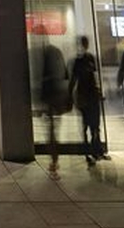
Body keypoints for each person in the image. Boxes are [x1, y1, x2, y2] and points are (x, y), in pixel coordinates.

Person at [69, 35, 107, 165]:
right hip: (84, 96)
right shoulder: (78, 61)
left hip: (90, 95)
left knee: (94, 125)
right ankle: (90, 151)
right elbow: (74, 80)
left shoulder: (89, 59)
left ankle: (95, 150)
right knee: (87, 125)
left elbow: (93, 76)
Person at [38, 32, 69, 180]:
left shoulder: (44, 53)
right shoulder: (54, 52)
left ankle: (54, 159)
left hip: (51, 98)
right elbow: (64, 74)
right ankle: (54, 159)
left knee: (51, 130)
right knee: (52, 130)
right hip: (55, 98)